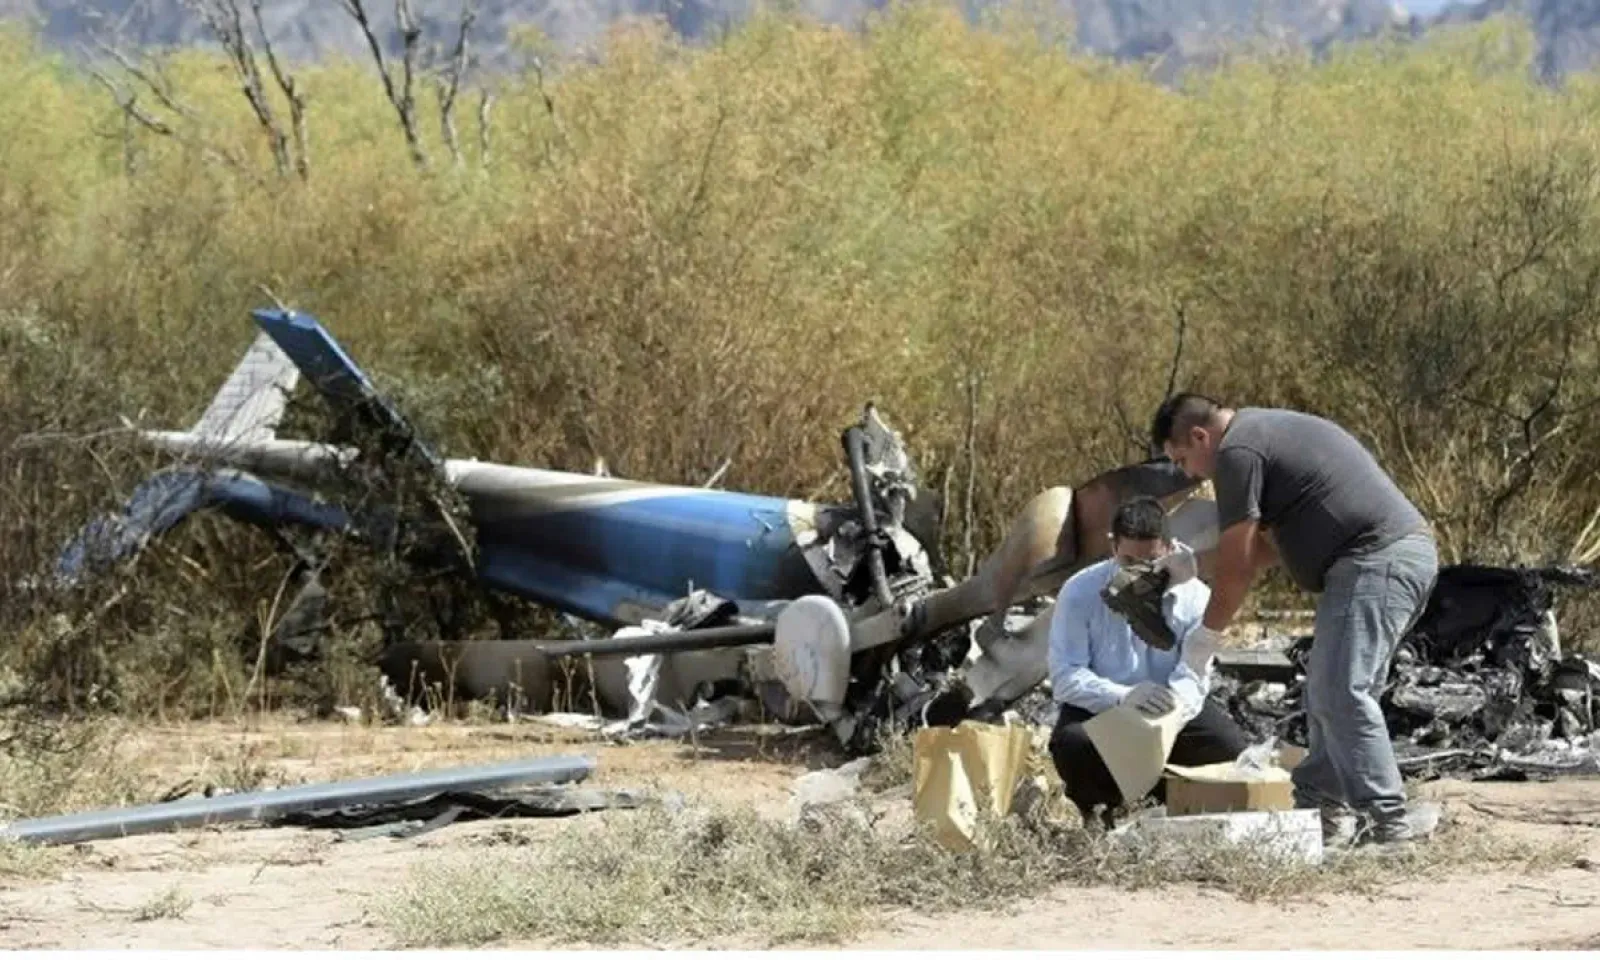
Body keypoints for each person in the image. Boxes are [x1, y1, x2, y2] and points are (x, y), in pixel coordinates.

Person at [1149, 393, 1438, 848]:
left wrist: (1206, 637)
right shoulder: (1260, 434)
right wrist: (1191, 566)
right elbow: (1264, 550)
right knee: (1327, 689)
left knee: (1341, 691)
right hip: (1380, 560)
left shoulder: (1238, 451)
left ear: (1200, 436)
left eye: (1183, 459)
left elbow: (1239, 566)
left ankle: (1388, 827)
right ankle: (1322, 814)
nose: (1189, 474)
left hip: (1375, 559)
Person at [1046, 495, 1249, 827]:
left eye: (1151, 561)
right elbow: (1066, 676)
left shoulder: (1196, 597)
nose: (1139, 572)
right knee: (1073, 745)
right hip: (1104, 706)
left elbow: (1195, 671)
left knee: (1227, 750)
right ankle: (1100, 814)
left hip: (1169, 707)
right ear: (1113, 546)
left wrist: (1170, 715)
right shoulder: (1079, 592)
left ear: (1169, 548)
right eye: (1128, 560)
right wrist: (1123, 696)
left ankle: (1162, 806)